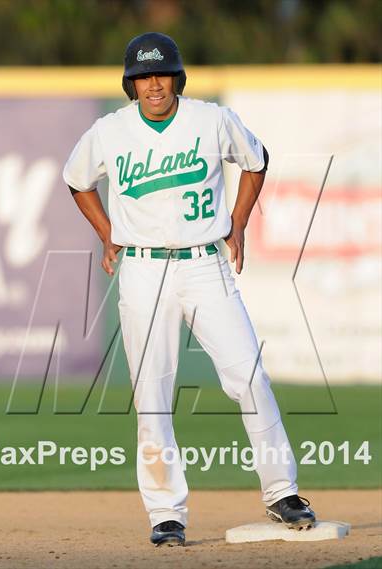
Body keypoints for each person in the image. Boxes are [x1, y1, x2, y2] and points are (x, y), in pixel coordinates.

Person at [63, 32, 316, 547]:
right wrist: (108, 234)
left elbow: (256, 159)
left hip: (206, 263)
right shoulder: (109, 131)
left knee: (249, 375)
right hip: (143, 270)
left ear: (176, 77)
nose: (153, 84)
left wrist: (238, 222)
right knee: (152, 396)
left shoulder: (210, 119)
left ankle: (281, 491)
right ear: (130, 84)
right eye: (142, 76)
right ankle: (165, 514)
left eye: (161, 74)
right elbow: (77, 179)